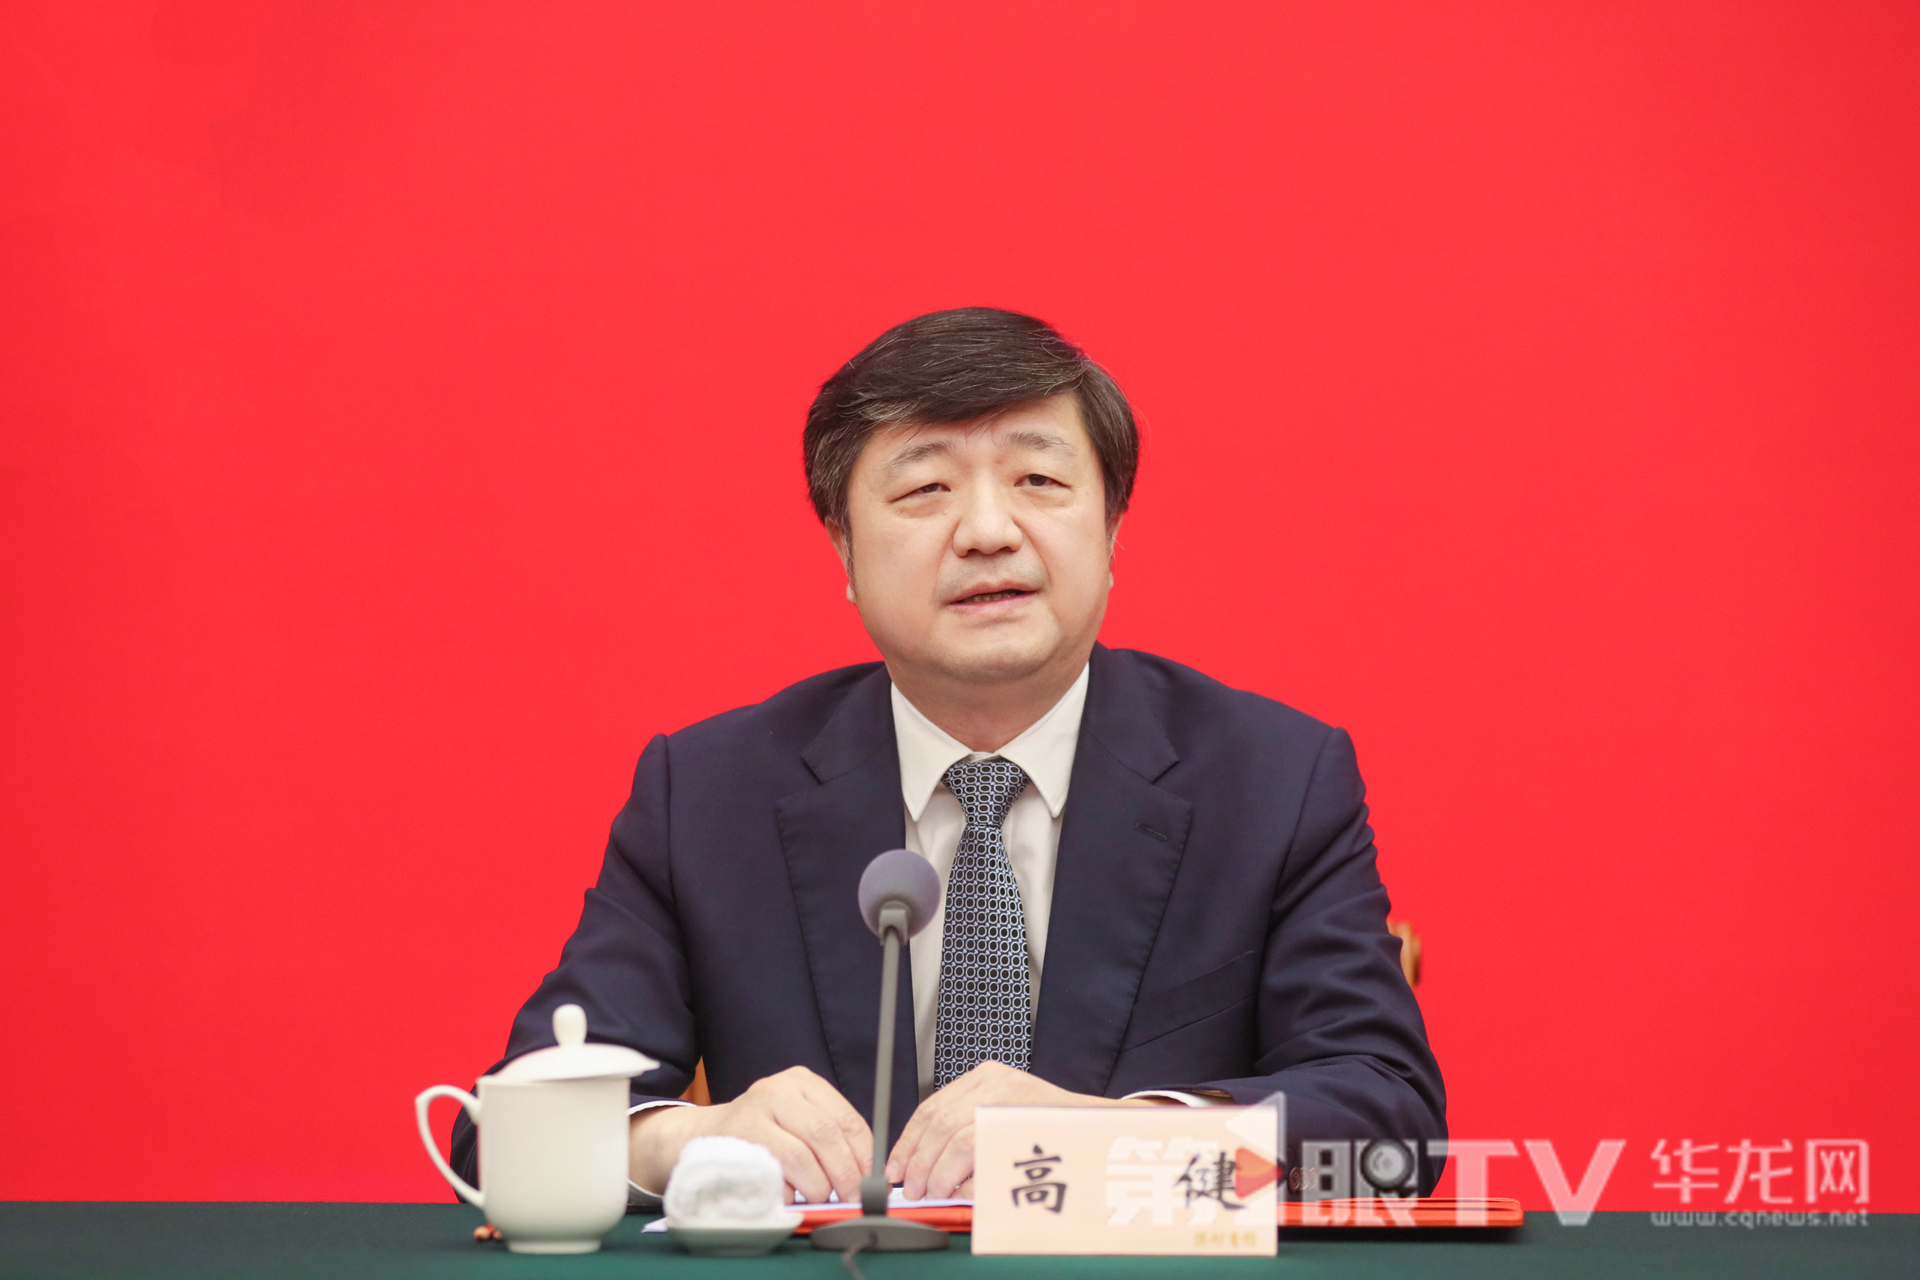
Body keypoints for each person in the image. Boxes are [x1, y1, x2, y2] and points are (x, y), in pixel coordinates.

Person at [450, 308, 1445, 1205]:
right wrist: (687, 1140)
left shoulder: (1271, 780)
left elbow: (1393, 1130)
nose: (987, 531)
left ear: (1112, 529)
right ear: (843, 551)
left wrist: (1114, 1141)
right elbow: (496, 1137)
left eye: (1039, 481)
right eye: (924, 489)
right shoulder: (709, 794)